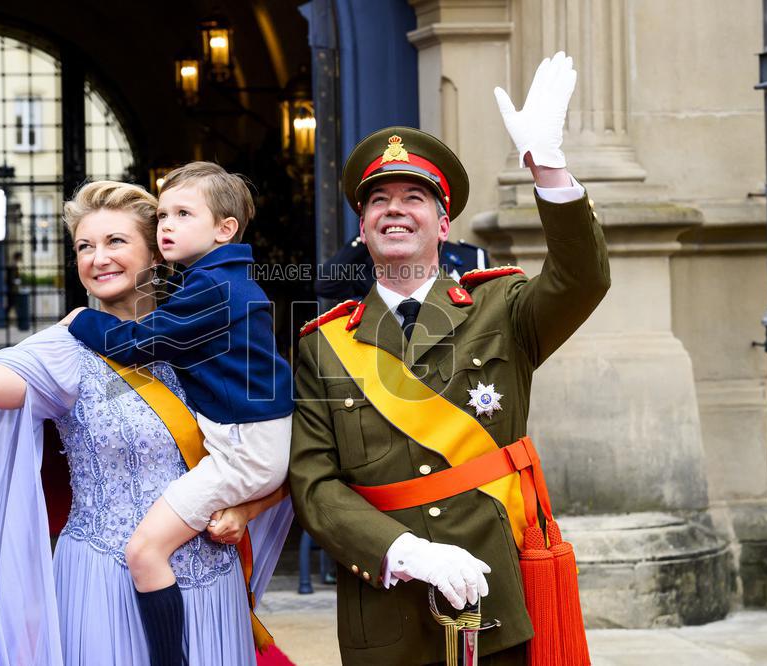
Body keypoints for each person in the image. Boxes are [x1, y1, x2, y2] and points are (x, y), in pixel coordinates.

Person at [289, 52, 610, 665]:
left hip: (495, 594)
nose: (394, 209)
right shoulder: (322, 345)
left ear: (443, 224)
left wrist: (548, 167)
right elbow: (314, 484)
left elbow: (582, 279)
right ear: (363, 225)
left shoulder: (502, 307)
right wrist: (402, 550)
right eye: (378, 199)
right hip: (385, 604)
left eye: (414, 197)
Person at [0, 179, 292, 666]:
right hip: (104, 583)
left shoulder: (209, 331)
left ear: (158, 252)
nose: (98, 257)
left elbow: (280, 449)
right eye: (84, 246)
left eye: (116, 241)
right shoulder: (65, 348)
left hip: (211, 586)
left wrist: (246, 512)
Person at [60, 161, 295, 665]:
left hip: (244, 454)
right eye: (162, 214)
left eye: (183, 214)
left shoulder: (212, 289)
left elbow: (139, 344)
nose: (166, 225)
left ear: (224, 229)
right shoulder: (216, 281)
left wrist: (81, 322)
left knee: (144, 551)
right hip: (248, 443)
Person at [314, 235, 488, 301]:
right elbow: (326, 284)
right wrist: (367, 236)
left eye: (413, 199)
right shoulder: (372, 261)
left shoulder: (470, 257)